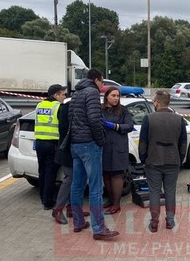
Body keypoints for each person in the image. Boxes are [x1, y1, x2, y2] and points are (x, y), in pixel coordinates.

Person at [69, 69, 119, 240]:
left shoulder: (77, 93)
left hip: (75, 144)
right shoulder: (91, 92)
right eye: (102, 81)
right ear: (96, 80)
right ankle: (99, 228)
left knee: (77, 185)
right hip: (89, 144)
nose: (102, 85)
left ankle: (78, 222)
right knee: (96, 187)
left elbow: (70, 118)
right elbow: (94, 119)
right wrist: (100, 140)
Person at [139, 89, 187, 233]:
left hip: (153, 161)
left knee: (154, 191)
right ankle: (170, 221)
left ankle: (154, 222)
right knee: (170, 191)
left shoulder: (148, 118)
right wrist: (181, 158)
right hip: (173, 161)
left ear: (157, 103)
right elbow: (183, 143)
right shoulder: (179, 119)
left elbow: (143, 142)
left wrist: (143, 158)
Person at [51, 98, 90, 224]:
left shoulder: (79, 107)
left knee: (80, 180)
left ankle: (72, 208)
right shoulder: (66, 108)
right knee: (70, 179)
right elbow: (63, 130)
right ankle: (58, 209)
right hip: (68, 150)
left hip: (78, 149)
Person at [101, 86, 134, 215]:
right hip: (104, 146)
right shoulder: (100, 109)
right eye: (113, 96)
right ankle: (110, 199)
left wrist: (115, 126)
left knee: (116, 175)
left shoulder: (123, 111)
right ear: (106, 97)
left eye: (117, 96)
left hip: (118, 147)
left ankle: (116, 204)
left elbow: (129, 126)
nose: (116, 98)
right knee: (106, 174)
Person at [34, 84, 65, 210]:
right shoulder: (58, 107)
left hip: (39, 143)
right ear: (56, 95)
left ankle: (42, 197)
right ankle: (48, 202)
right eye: (63, 94)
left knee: (42, 171)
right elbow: (63, 126)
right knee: (50, 173)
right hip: (52, 144)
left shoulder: (39, 105)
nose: (64, 96)